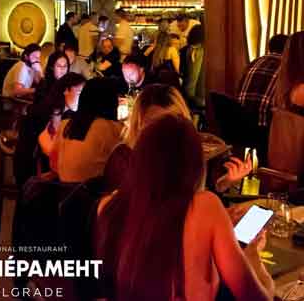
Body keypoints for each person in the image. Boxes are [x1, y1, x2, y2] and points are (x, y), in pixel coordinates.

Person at [96, 114, 274, 301]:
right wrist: (252, 255)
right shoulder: (206, 205)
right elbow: (258, 298)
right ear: (195, 164)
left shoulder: (109, 207)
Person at [112, 84, 251, 194]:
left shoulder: (186, 154)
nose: (167, 129)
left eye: (174, 120)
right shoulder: (125, 158)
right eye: (155, 123)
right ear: (138, 124)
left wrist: (225, 182)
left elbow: (195, 199)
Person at [46, 78, 123, 183]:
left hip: (64, 188)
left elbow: (53, 163)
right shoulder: (113, 128)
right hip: (94, 191)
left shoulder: (65, 124)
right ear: (111, 101)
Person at [19, 73, 86, 185]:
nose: (82, 99)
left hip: (47, 165)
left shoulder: (66, 113)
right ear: (65, 90)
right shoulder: (46, 114)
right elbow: (45, 148)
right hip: (31, 170)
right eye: (79, 93)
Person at [237, 34, 288, 127]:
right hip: (265, 128)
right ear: (288, 49)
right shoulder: (286, 67)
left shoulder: (254, 62)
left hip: (240, 124)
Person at [180, 23, 206, 110]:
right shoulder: (197, 50)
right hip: (199, 98)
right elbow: (193, 75)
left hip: (197, 97)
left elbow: (192, 75)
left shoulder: (193, 50)